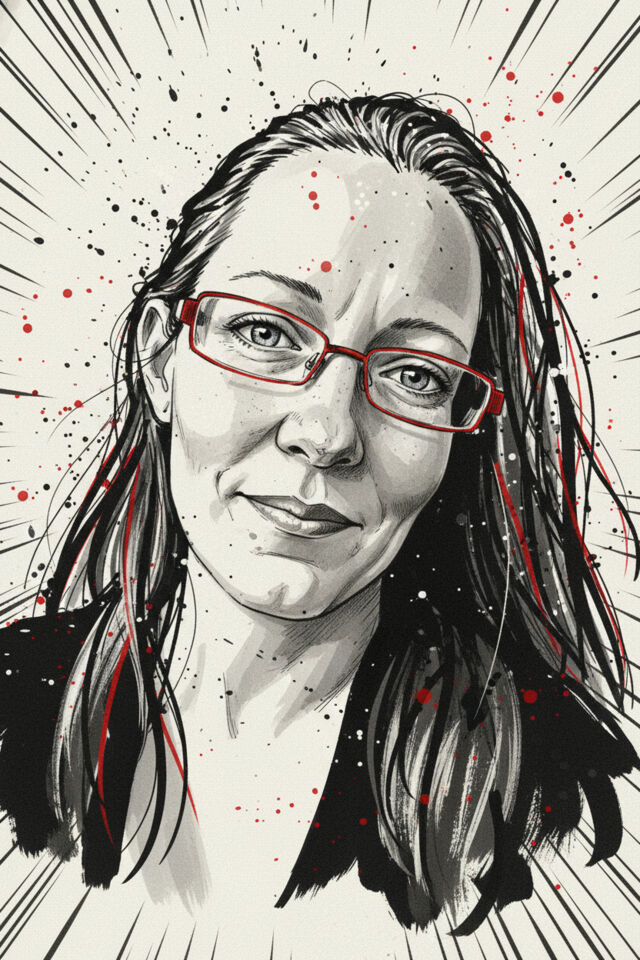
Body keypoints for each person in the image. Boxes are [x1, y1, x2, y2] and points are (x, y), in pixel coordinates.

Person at [0, 93, 637, 941]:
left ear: (464, 430)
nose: (329, 432)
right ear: (160, 357)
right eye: (266, 332)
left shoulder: (568, 801)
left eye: (416, 375)